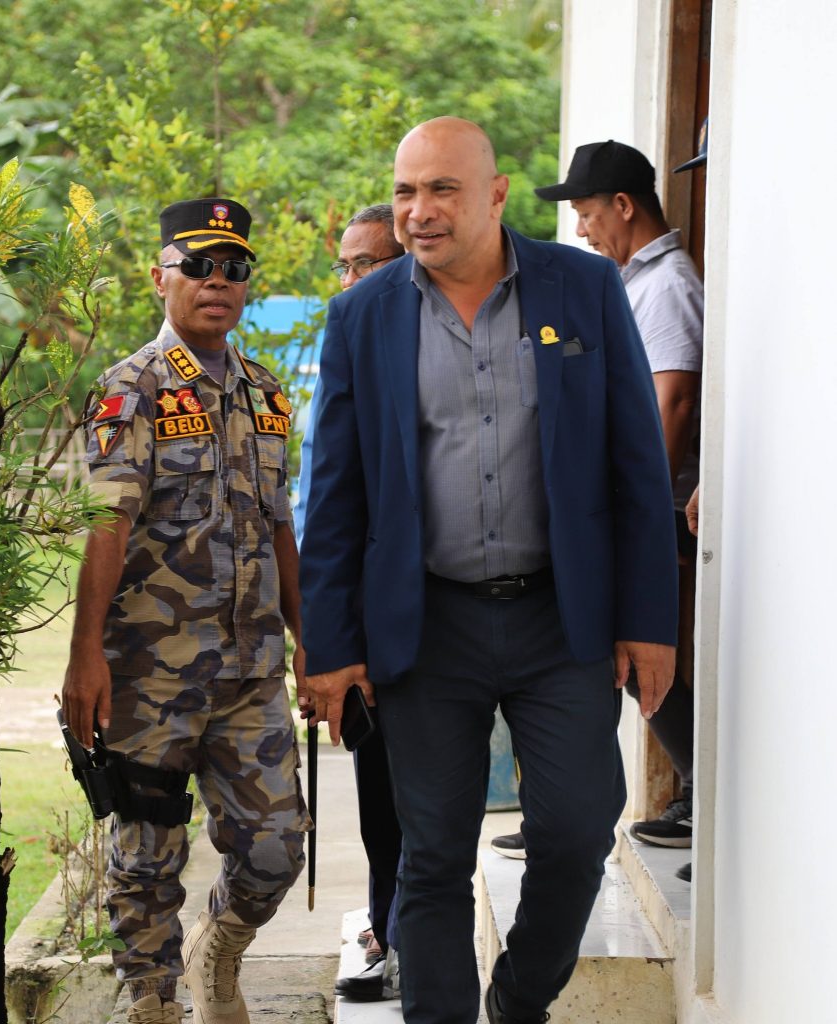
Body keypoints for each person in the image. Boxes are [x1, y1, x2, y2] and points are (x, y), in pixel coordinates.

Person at [299, 117, 679, 1024]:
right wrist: (331, 648)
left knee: (577, 830)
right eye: (404, 192)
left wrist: (649, 621)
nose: (418, 212)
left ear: (497, 193)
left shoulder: (582, 288)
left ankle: (519, 998)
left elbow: (635, 462)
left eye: (442, 190)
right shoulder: (362, 314)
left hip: (561, 619)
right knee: (431, 853)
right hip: (427, 624)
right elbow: (334, 492)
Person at [62, 198, 310, 1024]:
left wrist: (308, 638)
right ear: (159, 277)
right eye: (197, 265)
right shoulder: (129, 389)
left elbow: (279, 525)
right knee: (146, 860)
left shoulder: (266, 392)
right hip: (149, 675)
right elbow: (107, 525)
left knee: (277, 848)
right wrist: (84, 657)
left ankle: (219, 949)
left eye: (233, 268)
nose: (216, 281)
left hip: (249, 673)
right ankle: (152, 1001)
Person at [520, 139, 703, 856]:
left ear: (623, 206)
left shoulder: (667, 286)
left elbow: (673, 401)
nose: (581, 229)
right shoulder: (628, 281)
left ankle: (694, 796)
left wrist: (637, 517)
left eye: (588, 212)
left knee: (640, 654)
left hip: (656, 510)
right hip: (626, 507)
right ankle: (575, 812)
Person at [294, 205, 406, 1002]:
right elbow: (320, 507)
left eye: (365, 264)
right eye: (344, 265)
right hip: (356, 625)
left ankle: (403, 938)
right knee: (378, 798)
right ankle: (385, 927)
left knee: (419, 802)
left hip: (425, 624)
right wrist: (324, 638)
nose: (349, 280)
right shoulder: (345, 347)